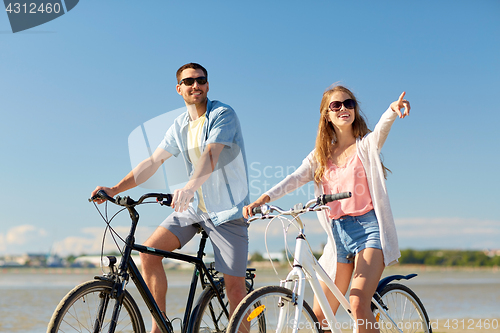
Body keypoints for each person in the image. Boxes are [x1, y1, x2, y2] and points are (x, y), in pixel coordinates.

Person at [92, 63, 250, 333]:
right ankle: (159, 327)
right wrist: (115, 189)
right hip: (192, 209)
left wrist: (188, 187)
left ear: (208, 85)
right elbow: (153, 162)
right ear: (179, 89)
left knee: (235, 288)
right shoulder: (180, 125)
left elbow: (211, 155)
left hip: (226, 211)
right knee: (149, 255)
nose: (195, 85)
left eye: (200, 80)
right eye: (188, 82)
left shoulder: (223, 114)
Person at [243, 84, 410, 333]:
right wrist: (263, 198)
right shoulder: (320, 156)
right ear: (327, 114)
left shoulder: (365, 146)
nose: (344, 108)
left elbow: (380, 133)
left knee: (357, 302)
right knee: (320, 316)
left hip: (369, 231)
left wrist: (391, 111)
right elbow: (294, 178)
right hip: (337, 237)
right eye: (336, 105)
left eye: (349, 103)